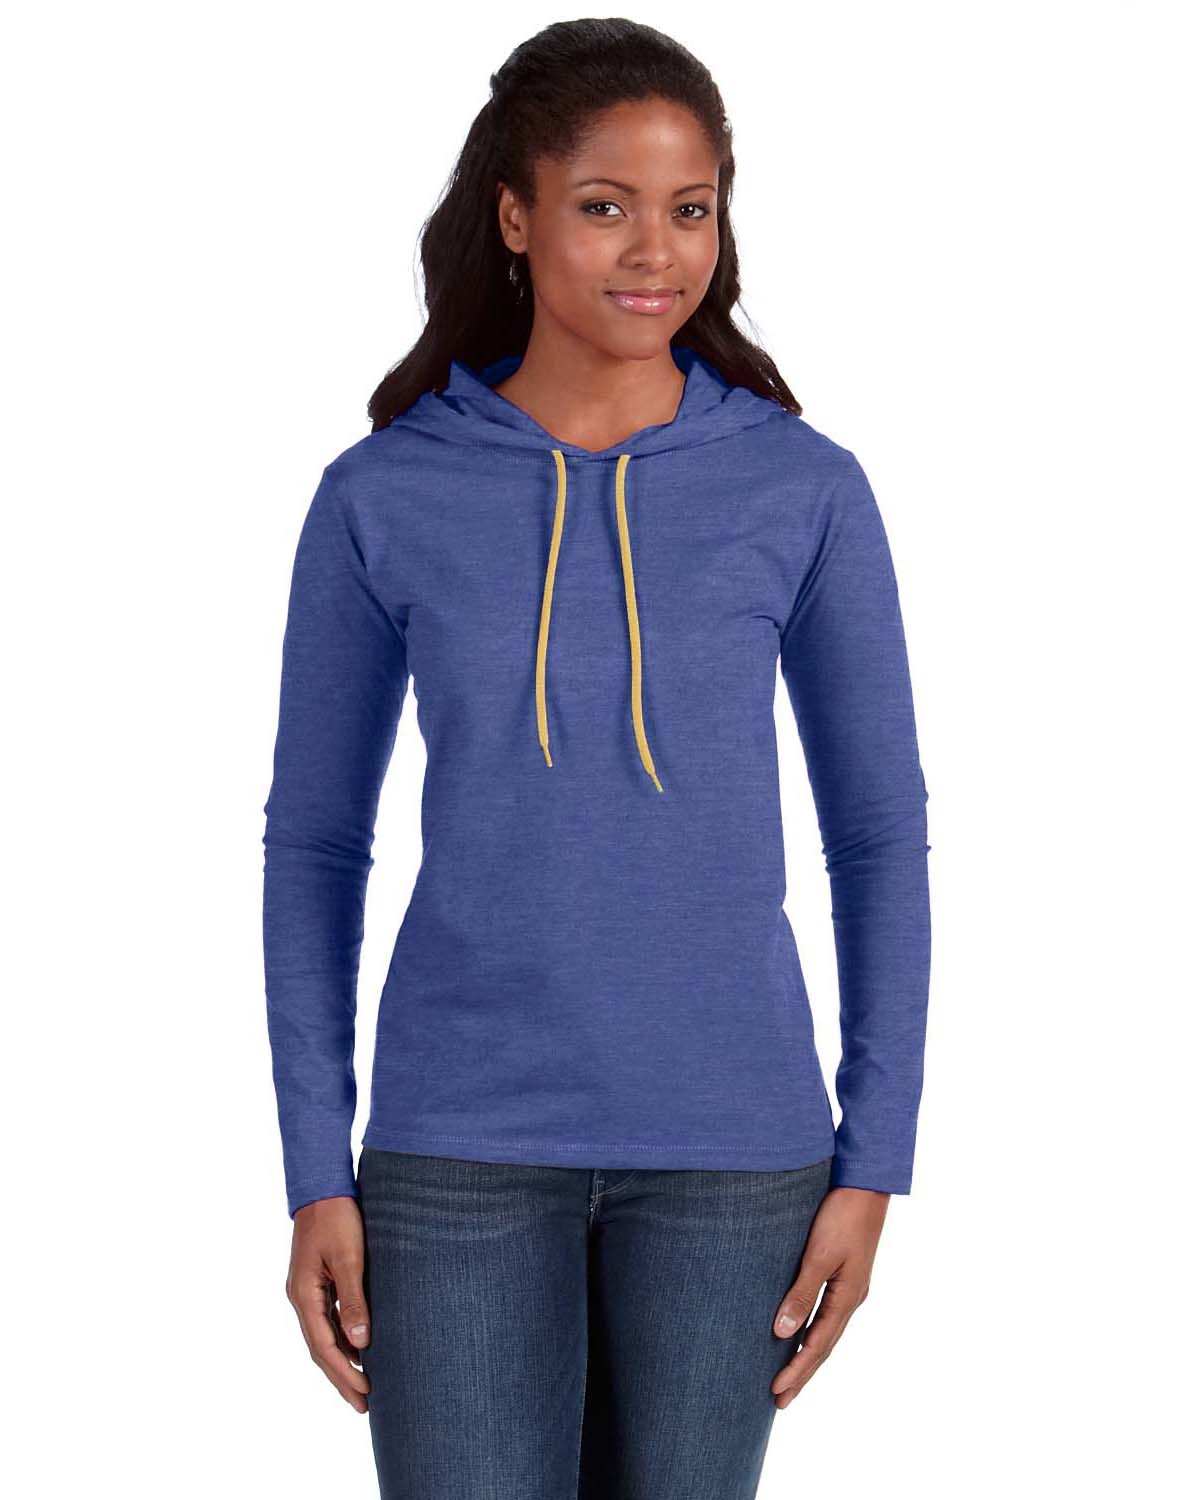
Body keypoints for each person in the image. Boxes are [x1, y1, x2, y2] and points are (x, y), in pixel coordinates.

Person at [261, 17, 931, 1499]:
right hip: (456, 1150)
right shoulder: (384, 493)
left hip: (737, 1154)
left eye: (691, 208)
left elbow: (879, 834)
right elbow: (314, 842)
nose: (655, 251)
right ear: (516, 216)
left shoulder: (802, 489)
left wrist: (874, 1156)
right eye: (605, 204)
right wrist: (316, 1165)